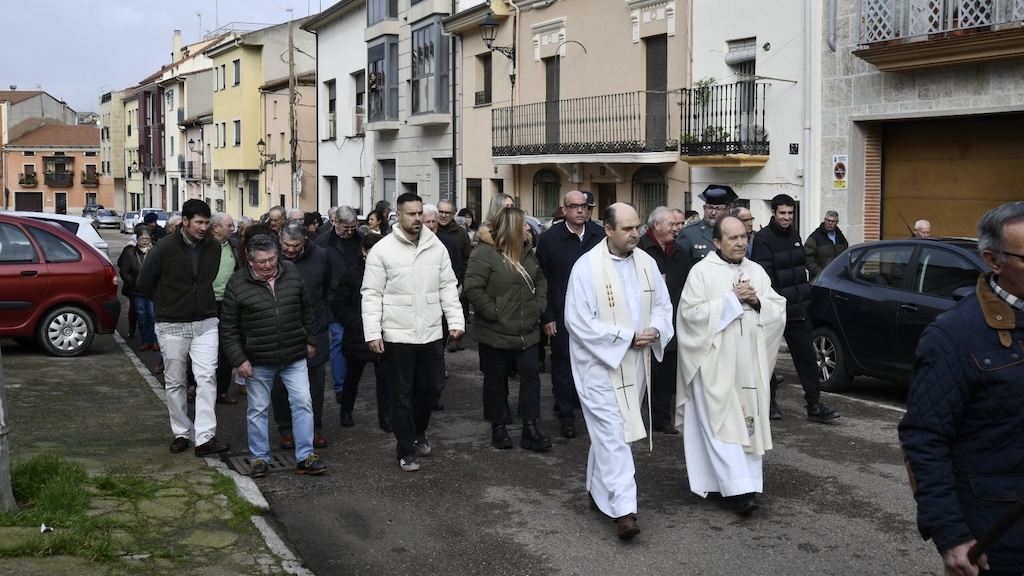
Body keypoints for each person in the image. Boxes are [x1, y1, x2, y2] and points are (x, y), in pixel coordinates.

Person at [899, 202, 1024, 576]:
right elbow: (924, 439)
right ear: (993, 260)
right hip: (999, 535)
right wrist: (951, 534)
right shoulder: (952, 336)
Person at [565, 203, 673, 540]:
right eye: (627, 229)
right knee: (613, 434)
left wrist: (656, 328)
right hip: (598, 366)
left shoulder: (647, 263)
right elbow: (578, 321)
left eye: (637, 227)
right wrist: (626, 337)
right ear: (608, 230)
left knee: (610, 433)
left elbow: (663, 305)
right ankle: (625, 510)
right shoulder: (586, 267)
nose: (635, 234)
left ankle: (597, 491)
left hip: (635, 365)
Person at [676, 215, 788, 516]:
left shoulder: (756, 271)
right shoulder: (701, 272)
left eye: (743, 237)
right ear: (717, 242)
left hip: (749, 363)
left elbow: (778, 308)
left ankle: (746, 482)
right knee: (721, 423)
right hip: (714, 364)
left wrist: (757, 302)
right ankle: (739, 490)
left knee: (748, 422)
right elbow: (689, 316)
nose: (740, 243)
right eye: (733, 238)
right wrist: (731, 300)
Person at [361, 192, 464, 473]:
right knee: (401, 394)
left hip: (431, 331)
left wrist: (456, 320)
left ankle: (417, 431)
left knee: (433, 388)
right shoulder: (383, 250)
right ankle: (405, 449)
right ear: (398, 215)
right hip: (397, 335)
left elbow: (448, 286)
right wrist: (373, 333)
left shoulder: (436, 246)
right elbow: (371, 294)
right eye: (412, 214)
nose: (417, 218)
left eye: (420, 213)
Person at [220, 233, 326, 477]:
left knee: (303, 402)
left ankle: (305, 456)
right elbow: (228, 327)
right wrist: (239, 359)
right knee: (257, 408)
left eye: (272, 259)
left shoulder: (290, 272)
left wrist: (311, 339)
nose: (268, 265)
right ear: (250, 261)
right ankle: (259, 457)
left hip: (294, 354)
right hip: (258, 359)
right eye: (262, 262)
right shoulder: (237, 283)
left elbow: (306, 308)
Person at [136, 199, 229, 457]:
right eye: (198, 222)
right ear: (185, 221)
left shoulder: (213, 246)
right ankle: (181, 433)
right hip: (172, 324)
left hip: (206, 322)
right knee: (175, 381)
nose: (203, 227)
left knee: (207, 378)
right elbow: (143, 284)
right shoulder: (163, 248)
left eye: (206, 222)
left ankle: (205, 437)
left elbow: (208, 279)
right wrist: (167, 304)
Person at [464, 205, 552, 451]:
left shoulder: (527, 251)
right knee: (495, 379)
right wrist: (495, 313)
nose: (528, 229)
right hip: (495, 330)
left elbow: (540, 280)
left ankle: (530, 428)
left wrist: (538, 307)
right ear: (512, 229)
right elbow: (472, 288)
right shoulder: (484, 253)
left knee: (531, 377)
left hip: (527, 328)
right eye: (524, 225)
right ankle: (498, 427)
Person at [751, 194, 840, 423]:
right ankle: (769, 403)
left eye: (790, 213)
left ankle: (814, 405)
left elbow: (800, 271)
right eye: (782, 213)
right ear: (773, 213)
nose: (786, 217)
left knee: (807, 358)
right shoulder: (763, 239)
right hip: (775, 310)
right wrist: (775, 304)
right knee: (768, 359)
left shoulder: (795, 235)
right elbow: (764, 277)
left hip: (799, 310)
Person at [536, 190, 605, 439]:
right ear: (564, 210)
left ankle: (594, 412)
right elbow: (542, 280)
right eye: (574, 206)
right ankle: (566, 416)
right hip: (562, 313)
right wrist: (548, 317)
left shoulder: (599, 236)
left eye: (584, 206)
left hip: (596, 314)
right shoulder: (549, 239)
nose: (580, 210)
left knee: (595, 364)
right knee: (563, 366)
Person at [272, 220, 332, 449]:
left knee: (315, 382)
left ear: (305, 240)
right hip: (279, 329)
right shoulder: (270, 256)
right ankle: (286, 428)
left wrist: (324, 317)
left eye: (295, 245)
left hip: (314, 328)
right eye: (286, 245)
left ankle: (314, 428)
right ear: (280, 239)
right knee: (279, 383)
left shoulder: (321, 256)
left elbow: (328, 289)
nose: (290, 249)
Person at [638, 206, 693, 435]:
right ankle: (636, 418)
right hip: (644, 323)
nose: (676, 228)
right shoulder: (639, 250)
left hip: (672, 323)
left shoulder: (680, 253)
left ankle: (661, 418)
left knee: (666, 373)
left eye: (678, 224)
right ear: (656, 225)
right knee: (643, 372)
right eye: (671, 224)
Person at [332, 233, 392, 432]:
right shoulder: (351, 275)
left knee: (385, 379)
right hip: (358, 335)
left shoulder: (390, 274)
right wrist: (359, 324)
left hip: (383, 334)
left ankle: (386, 416)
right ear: (364, 251)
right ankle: (346, 410)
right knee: (352, 377)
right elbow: (339, 305)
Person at [315, 206, 362, 411]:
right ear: (335, 223)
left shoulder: (360, 239)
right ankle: (341, 387)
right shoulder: (322, 243)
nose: (349, 232)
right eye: (346, 228)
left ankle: (351, 383)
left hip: (357, 299)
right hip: (334, 300)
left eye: (353, 227)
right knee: (339, 340)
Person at [209, 212, 245, 405]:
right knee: (203, 348)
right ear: (215, 228)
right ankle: (195, 386)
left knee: (226, 347)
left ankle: (222, 390)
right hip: (205, 303)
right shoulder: (203, 245)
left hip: (228, 303)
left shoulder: (236, 245)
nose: (233, 229)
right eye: (229, 225)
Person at [437, 199, 472, 352]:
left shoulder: (461, 234)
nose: (443, 215)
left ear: (453, 214)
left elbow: (466, 260)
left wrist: (462, 282)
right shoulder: (430, 231)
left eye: (447, 212)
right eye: (440, 212)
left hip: (454, 284)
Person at [118, 225, 158, 351]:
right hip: (136, 291)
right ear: (137, 239)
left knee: (152, 315)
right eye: (142, 238)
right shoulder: (130, 253)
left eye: (147, 238)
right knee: (141, 315)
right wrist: (135, 282)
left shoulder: (156, 252)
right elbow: (124, 272)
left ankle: (154, 340)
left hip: (152, 290)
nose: (145, 241)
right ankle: (145, 340)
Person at [677, 185, 738, 261]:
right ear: (704, 208)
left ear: (727, 210)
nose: (713, 213)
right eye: (710, 208)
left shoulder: (735, 232)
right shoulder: (688, 233)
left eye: (718, 209)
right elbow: (679, 263)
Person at [804, 211, 849, 282]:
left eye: (833, 221)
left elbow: (845, 256)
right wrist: (821, 273)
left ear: (837, 222)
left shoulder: (840, 238)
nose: (830, 223)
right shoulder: (815, 237)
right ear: (825, 220)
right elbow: (808, 259)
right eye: (828, 220)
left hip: (837, 279)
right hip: (819, 280)